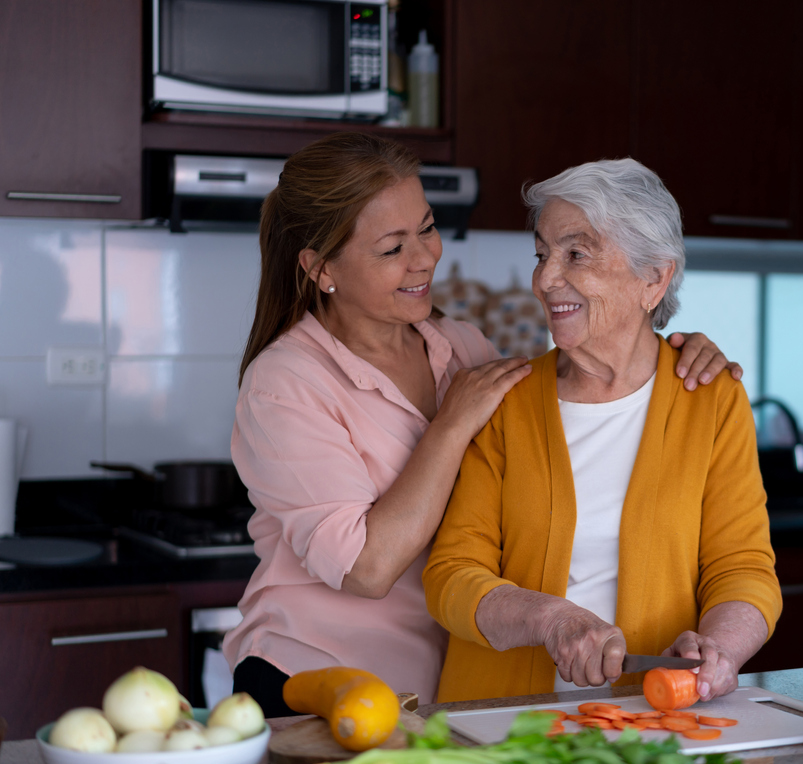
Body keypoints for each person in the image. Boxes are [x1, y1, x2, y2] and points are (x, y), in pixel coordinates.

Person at [222, 134, 740, 716]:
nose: (424, 257)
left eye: (426, 227)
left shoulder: (462, 348)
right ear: (321, 269)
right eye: (393, 248)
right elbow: (364, 569)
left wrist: (683, 351)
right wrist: (450, 425)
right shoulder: (285, 382)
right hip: (317, 680)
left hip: (431, 693)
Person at [424, 159, 782, 704]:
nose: (545, 279)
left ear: (653, 278)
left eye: (576, 254)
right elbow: (451, 576)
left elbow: (743, 566)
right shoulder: (504, 402)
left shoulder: (712, 401)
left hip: (656, 722)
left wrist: (720, 649)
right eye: (543, 254)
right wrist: (550, 619)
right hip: (502, 728)